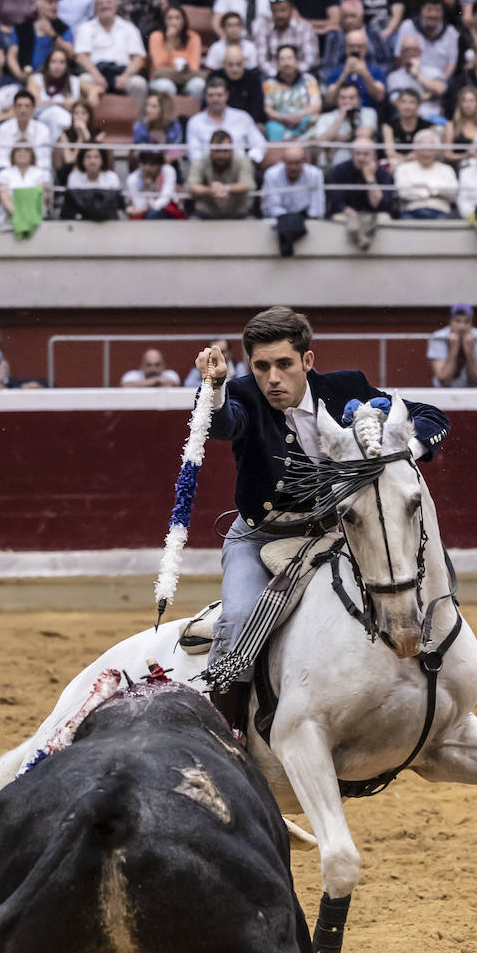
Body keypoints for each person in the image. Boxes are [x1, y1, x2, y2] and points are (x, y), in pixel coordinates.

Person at [193, 306, 449, 733]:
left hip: (336, 535)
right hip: (260, 539)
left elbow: (432, 416)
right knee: (238, 619)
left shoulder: (346, 387)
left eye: (284, 365)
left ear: (307, 362)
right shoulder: (241, 395)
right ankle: (228, 731)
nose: (272, 378)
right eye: (261, 366)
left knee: (398, 580)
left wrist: (405, 450)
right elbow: (221, 424)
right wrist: (215, 386)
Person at [73, 0, 147, 106]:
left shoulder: (129, 28)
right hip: (95, 72)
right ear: (95, 7)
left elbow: (139, 58)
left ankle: (137, 123)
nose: (105, 6)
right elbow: (81, 57)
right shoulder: (85, 28)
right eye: (100, 3)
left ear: (116, 5)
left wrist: (126, 76)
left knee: (139, 84)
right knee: (84, 80)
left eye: (108, 2)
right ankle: (88, 121)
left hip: (123, 72)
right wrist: (96, 75)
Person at [326, 137, 394, 249]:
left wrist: (370, 178)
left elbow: (382, 205)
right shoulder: (339, 170)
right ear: (352, 154)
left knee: (384, 218)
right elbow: (335, 201)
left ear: (374, 155)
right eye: (357, 154)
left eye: (365, 154)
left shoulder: (383, 174)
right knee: (340, 218)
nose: (361, 158)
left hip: (373, 214)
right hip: (347, 214)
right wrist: (350, 213)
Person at [184, 75, 265, 166]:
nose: (215, 99)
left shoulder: (242, 117)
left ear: (227, 95)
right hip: (206, 170)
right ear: (205, 96)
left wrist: (248, 161)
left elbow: (259, 144)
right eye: (211, 95)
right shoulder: (195, 122)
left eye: (219, 95)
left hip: (238, 168)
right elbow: (193, 153)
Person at [261, 142, 324, 255]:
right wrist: (292, 221)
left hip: (305, 218)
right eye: (289, 163)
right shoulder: (271, 174)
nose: (293, 167)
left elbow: (317, 209)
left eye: (297, 163)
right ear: (283, 161)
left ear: (304, 161)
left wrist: (300, 220)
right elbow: (273, 208)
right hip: (280, 219)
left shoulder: (315, 174)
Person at [186, 130, 255, 220]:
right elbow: (192, 186)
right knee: (191, 223)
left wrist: (225, 188)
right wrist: (210, 190)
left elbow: (246, 185)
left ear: (232, 149)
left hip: (239, 212)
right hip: (206, 212)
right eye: (217, 151)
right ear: (210, 150)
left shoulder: (243, 161)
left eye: (225, 151)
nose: (221, 155)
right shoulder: (200, 162)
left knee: (252, 223)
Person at [261, 44, 320, 141]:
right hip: (280, 123)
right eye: (282, 59)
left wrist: (299, 116)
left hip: (304, 120)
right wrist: (284, 118)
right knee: (273, 128)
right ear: (277, 64)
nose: (286, 62)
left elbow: (317, 106)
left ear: (297, 61)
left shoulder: (309, 80)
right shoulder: (269, 84)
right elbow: (268, 109)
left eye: (289, 58)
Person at [427, 302, 477, 387]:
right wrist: (453, 350)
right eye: (457, 321)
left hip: (472, 392)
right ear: (450, 321)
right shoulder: (438, 337)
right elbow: (444, 380)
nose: (462, 326)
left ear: (472, 323)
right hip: (443, 392)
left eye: (467, 322)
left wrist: (469, 353)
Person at [253, 0, 319, 78]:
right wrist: (279, 75)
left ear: (291, 10)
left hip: (301, 76)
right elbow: (261, 61)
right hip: (273, 77)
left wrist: (292, 73)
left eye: (283, 10)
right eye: (275, 11)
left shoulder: (304, 27)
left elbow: (311, 60)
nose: (279, 15)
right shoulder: (264, 28)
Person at [394, 128, 458, 218]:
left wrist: (419, 187)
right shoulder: (403, 169)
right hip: (411, 210)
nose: (426, 154)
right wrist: (435, 191)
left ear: (437, 151)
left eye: (430, 150)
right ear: (415, 149)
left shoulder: (447, 170)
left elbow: (453, 193)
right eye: (422, 149)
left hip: (440, 211)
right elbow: (403, 193)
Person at [147, 4, 204, 98]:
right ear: (164, 21)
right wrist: (169, 42)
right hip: (163, 77)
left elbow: (194, 66)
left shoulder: (193, 37)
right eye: (169, 18)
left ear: (184, 21)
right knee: (166, 86)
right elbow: (159, 64)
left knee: (198, 85)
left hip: (186, 78)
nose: (173, 22)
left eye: (177, 18)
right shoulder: (156, 36)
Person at [0, 87, 52, 174]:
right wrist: (17, 174)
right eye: (19, 106)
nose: (23, 110)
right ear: (14, 108)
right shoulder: (3, 129)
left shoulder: (43, 130)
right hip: (10, 175)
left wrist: (27, 174)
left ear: (33, 108)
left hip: (36, 175)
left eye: (27, 106)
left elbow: (45, 162)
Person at [124, 149, 181, 218]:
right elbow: (138, 204)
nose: (148, 168)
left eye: (152, 164)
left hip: (164, 209)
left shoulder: (168, 171)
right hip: (143, 211)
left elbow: (165, 199)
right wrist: (146, 188)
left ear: (160, 165)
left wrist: (148, 207)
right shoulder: (133, 178)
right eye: (144, 164)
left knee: (153, 214)